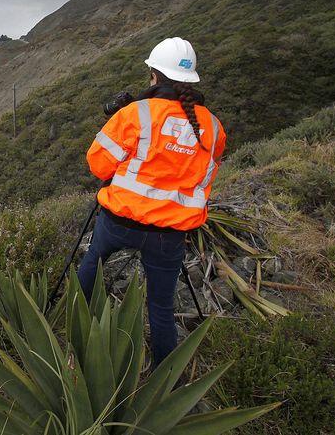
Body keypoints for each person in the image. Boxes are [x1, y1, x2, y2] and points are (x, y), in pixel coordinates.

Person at [76, 37, 226, 368]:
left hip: (121, 221)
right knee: (160, 307)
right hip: (168, 234)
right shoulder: (213, 128)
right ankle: (163, 376)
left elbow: (98, 165)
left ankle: (73, 318)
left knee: (92, 261)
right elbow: (202, 180)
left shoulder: (136, 113)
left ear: (154, 75)